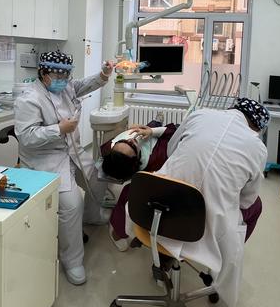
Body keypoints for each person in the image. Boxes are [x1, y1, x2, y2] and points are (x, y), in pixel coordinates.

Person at [155, 98, 270, 307]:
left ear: (233, 108)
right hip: (205, 227)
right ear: (257, 127)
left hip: (160, 212)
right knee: (256, 207)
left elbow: (171, 151)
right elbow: (247, 200)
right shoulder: (257, 147)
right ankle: (222, 261)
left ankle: (164, 257)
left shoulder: (200, 115)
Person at [14, 50, 113, 286]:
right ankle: (72, 260)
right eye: (58, 76)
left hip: (71, 151)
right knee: (72, 204)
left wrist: (103, 74)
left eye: (66, 75)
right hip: (45, 158)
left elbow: (83, 85)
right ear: (43, 73)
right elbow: (26, 137)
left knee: (99, 175)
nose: (63, 80)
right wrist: (58, 129)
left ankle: (92, 216)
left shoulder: (66, 86)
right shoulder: (29, 99)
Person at [101, 122, 177, 251]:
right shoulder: (156, 157)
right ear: (136, 159)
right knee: (130, 194)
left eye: (124, 141)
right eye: (132, 145)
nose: (131, 139)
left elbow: (173, 132)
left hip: (167, 172)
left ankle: (123, 231)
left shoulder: (109, 148)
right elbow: (173, 133)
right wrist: (153, 131)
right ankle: (119, 231)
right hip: (158, 169)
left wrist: (149, 130)